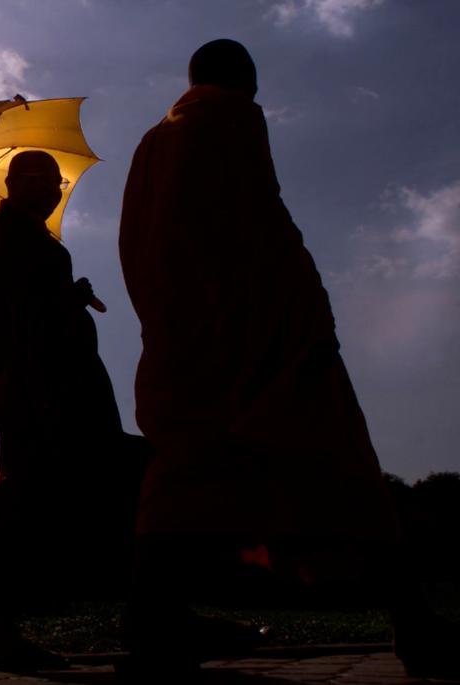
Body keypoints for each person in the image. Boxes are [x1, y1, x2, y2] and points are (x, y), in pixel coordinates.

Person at [117, 39, 455, 678]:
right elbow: (257, 228)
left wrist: (171, 327)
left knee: (182, 478)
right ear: (243, 79)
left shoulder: (151, 144)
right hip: (265, 336)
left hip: (183, 341)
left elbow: (142, 244)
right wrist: (302, 320)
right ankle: (413, 623)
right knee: (348, 473)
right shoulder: (230, 115)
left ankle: (154, 615)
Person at [0, 150, 144, 672]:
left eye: (54, 180)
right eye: (38, 179)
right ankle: (4, 632)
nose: (51, 188)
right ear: (14, 185)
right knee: (26, 505)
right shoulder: (10, 236)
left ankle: (142, 613)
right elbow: (11, 316)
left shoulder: (29, 236)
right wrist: (62, 301)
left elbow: (34, 305)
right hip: (40, 391)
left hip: (61, 387)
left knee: (94, 497)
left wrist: (67, 295)